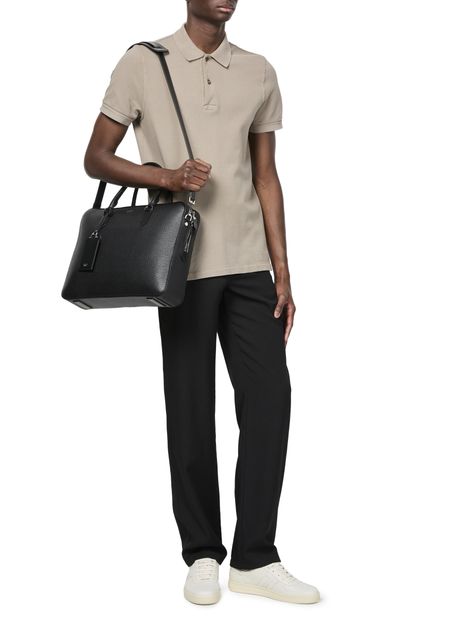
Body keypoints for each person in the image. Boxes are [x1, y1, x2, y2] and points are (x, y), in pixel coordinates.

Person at [84, 0, 320, 606]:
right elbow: (95, 158)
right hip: (180, 263)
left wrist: (283, 271)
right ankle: (203, 554)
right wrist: (166, 178)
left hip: (250, 265)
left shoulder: (259, 69)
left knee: (270, 403)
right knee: (190, 408)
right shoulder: (144, 62)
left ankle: (255, 556)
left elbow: (266, 176)